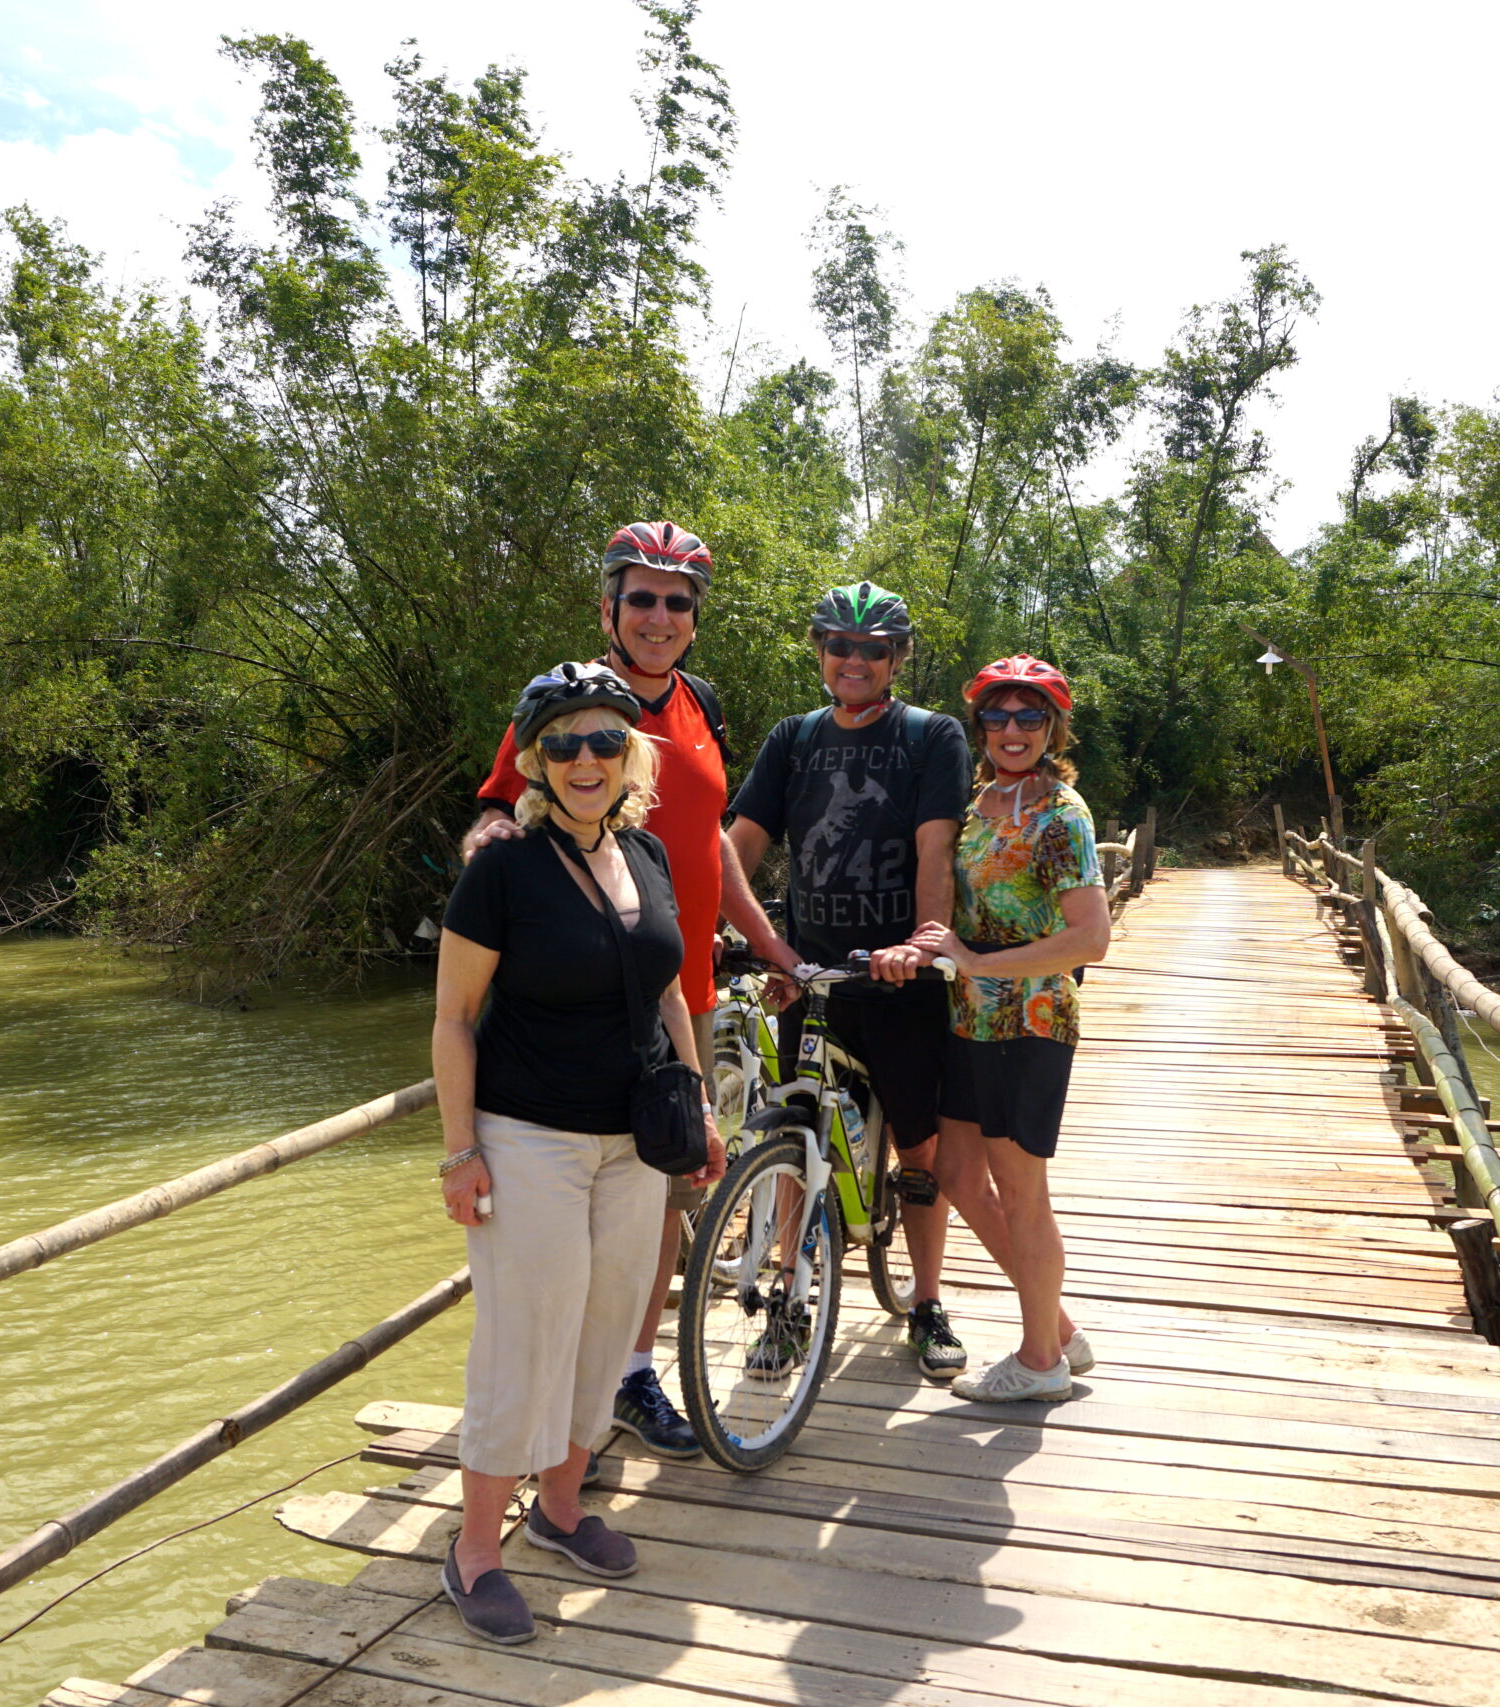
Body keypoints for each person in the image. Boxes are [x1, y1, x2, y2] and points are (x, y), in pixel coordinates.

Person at [460, 522, 797, 1456]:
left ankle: (629, 1373)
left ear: (694, 618)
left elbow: (712, 844)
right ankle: (543, 1409)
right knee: (561, 1207)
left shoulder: (704, 707)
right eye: (641, 597)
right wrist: (489, 859)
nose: (659, 615)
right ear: (608, 606)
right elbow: (496, 810)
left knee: (659, 1201)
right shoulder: (570, 704)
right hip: (572, 999)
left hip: (675, 989)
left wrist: (767, 940)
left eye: (677, 601)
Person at [433, 661, 727, 1644]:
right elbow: (452, 1018)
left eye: (606, 740)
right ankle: (476, 1548)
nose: (586, 760)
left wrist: (695, 1109)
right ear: (534, 761)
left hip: (633, 1142)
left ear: (632, 753)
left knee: (605, 1331)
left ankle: (560, 1506)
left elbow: (666, 993)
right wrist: (458, 1150)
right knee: (527, 1333)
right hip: (530, 1138)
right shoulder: (503, 866)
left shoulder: (642, 854)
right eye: (563, 744)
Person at [724, 581, 991, 1380]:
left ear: (897, 659)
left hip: (896, 975)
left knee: (919, 1144)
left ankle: (927, 1298)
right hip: (810, 969)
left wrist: (920, 943)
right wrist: (735, 932)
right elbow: (737, 846)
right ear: (820, 652)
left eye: (873, 649)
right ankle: (791, 1303)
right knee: (791, 1127)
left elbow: (935, 851)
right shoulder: (793, 739)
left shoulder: (930, 736)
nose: (854, 660)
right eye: (839, 645)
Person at [911, 655, 1112, 1401]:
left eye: (1030, 716)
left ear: (1053, 726)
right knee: (959, 1172)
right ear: (980, 726)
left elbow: (1091, 937)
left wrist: (975, 959)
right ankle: (1056, 1326)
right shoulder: (979, 803)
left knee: (1023, 1190)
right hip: (969, 1019)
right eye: (998, 715)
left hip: (1028, 1020)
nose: (1012, 729)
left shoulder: (1061, 814)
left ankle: (1039, 1363)